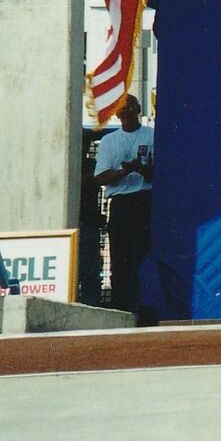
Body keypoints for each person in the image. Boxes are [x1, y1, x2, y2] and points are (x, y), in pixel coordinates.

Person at [94, 92, 154, 321]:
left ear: (138, 109)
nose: (126, 115)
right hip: (120, 202)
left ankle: (145, 307)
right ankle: (121, 308)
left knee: (143, 256)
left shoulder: (151, 136)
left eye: (130, 110)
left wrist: (141, 169)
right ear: (117, 115)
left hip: (144, 200)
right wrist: (125, 171)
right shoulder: (110, 141)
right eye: (122, 112)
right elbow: (101, 176)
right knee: (120, 260)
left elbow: (158, 172)